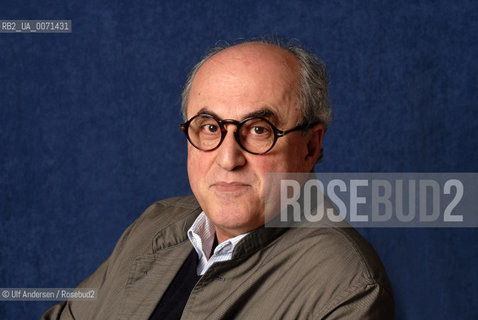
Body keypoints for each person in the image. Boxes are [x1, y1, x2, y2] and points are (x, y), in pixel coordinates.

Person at [43, 39, 394, 319]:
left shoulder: (348, 288)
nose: (228, 159)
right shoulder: (154, 225)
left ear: (310, 146)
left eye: (259, 129)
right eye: (210, 127)